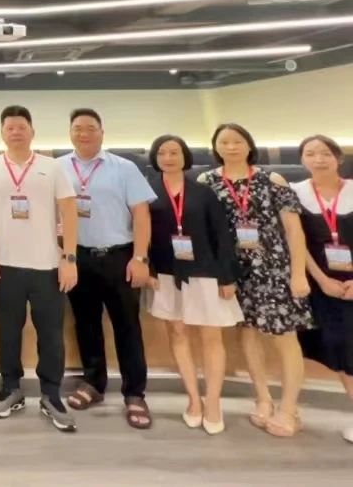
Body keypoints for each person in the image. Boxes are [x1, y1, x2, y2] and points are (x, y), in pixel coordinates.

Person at [200, 123, 312, 437]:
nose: (231, 147)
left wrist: (298, 273)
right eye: (224, 142)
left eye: (237, 141)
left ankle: (289, 408)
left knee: (284, 335)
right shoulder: (207, 182)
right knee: (247, 333)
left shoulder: (271, 179)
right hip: (234, 269)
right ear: (215, 147)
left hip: (274, 267)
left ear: (249, 145)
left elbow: (293, 230)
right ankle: (262, 398)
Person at [0, 105, 79, 433]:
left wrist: (69, 259)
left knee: (51, 334)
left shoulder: (52, 167)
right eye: (10, 127)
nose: (16, 132)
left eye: (21, 126)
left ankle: (51, 394)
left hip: (48, 266)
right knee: (8, 332)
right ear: (2, 133)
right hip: (5, 266)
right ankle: (11, 388)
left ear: (32, 131)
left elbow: (69, 212)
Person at [56, 108, 156, 429]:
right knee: (86, 324)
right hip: (78, 257)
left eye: (90, 128)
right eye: (77, 128)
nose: (83, 134)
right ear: (70, 133)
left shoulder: (124, 168)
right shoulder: (58, 168)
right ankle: (93, 383)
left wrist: (140, 258)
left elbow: (141, 215)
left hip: (119, 256)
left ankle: (134, 393)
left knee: (127, 326)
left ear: (102, 132)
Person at [145, 135, 242, 436]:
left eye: (174, 152)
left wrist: (227, 276)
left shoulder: (203, 192)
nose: (168, 157)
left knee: (211, 337)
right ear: (154, 158)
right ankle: (193, 399)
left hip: (205, 272)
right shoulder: (146, 191)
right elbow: (141, 234)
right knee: (178, 333)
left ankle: (213, 401)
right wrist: (148, 269)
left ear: (185, 156)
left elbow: (222, 235)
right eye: (162, 153)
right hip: (165, 273)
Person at [291, 134, 353, 443]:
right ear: (302, 160)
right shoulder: (294, 193)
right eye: (311, 153)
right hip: (321, 285)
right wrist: (322, 280)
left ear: (338, 158)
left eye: (326, 153)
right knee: (342, 350)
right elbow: (296, 242)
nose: (319, 159)